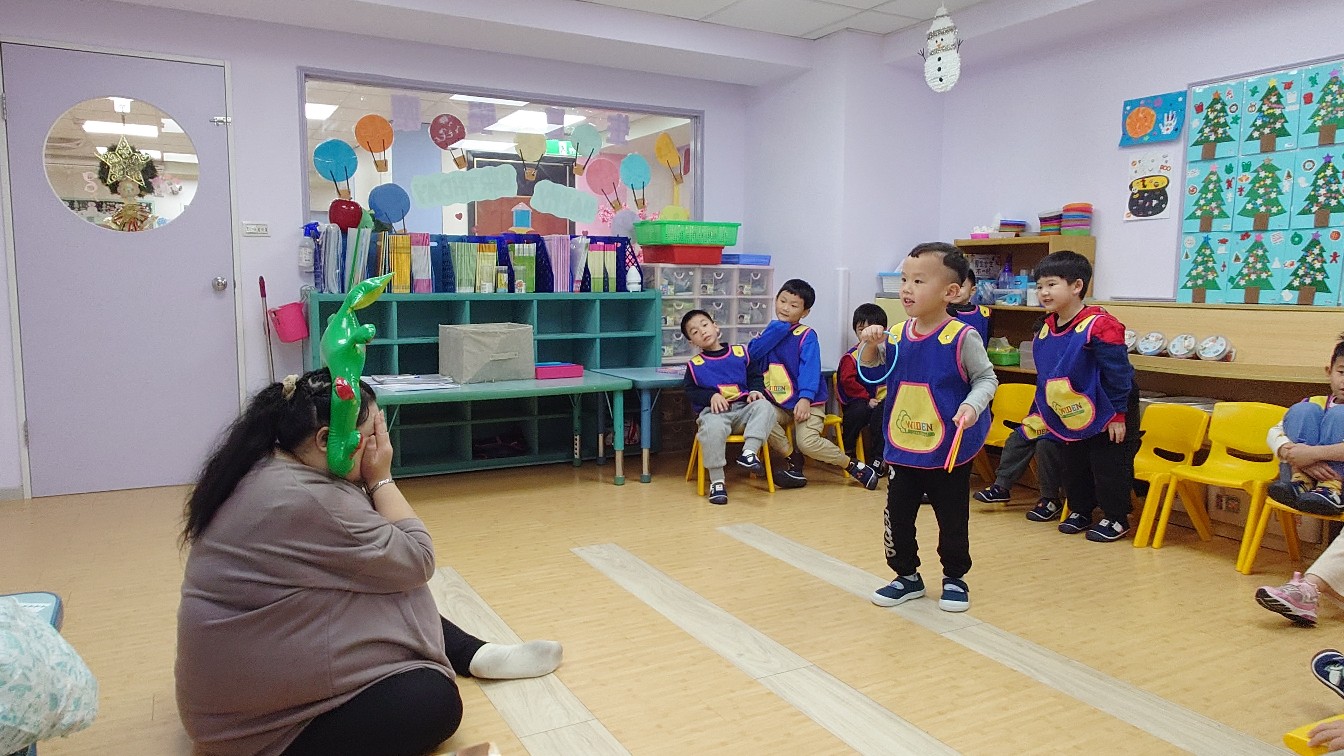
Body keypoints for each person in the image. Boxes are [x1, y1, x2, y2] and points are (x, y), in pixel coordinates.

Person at [175, 369, 563, 756]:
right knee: (432, 701)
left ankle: (473, 653)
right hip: (246, 725)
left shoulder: (267, 462)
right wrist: (382, 479)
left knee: (383, 582)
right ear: (325, 440)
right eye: (372, 434)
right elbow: (418, 558)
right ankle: (471, 656)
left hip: (238, 679)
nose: (381, 446)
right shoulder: (312, 499)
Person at [860, 242, 998, 612]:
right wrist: (869, 346)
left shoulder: (962, 336)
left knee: (952, 519)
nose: (907, 288)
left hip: (947, 449)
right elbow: (872, 370)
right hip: (904, 446)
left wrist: (971, 405)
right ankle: (906, 576)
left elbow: (986, 379)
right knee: (897, 518)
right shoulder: (897, 333)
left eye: (919, 281)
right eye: (904, 279)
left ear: (950, 292)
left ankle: (955, 577)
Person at [1018, 251, 1140, 542]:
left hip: (1109, 405)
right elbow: (1046, 376)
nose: (1043, 292)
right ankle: (1081, 510)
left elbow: (1119, 373)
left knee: (1108, 463)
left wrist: (1117, 414)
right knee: (1073, 462)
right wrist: (1041, 413)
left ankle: (1116, 518)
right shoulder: (1045, 328)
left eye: (1051, 284)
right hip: (1071, 409)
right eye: (1039, 286)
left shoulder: (1101, 325)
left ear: (1076, 286)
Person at [749, 279, 881, 490]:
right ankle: (793, 459)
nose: (785, 308)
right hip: (777, 402)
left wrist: (805, 398)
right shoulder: (770, 332)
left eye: (793, 305)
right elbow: (752, 355)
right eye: (782, 301)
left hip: (808, 402)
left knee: (807, 442)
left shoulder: (807, 335)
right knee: (759, 415)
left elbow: (810, 369)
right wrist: (777, 329)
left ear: (805, 312)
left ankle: (852, 465)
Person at [680, 309, 785, 505]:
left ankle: (749, 453)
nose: (702, 331)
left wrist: (755, 391)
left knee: (765, 406)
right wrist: (710, 396)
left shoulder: (740, 352)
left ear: (715, 326)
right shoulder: (695, 365)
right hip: (716, 414)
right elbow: (691, 391)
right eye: (694, 332)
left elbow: (755, 377)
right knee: (711, 427)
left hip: (743, 410)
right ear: (692, 342)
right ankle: (717, 482)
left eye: (705, 325)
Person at [1265, 338, 1344, 515]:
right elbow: (1274, 432)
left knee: (1340, 414)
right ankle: (1302, 481)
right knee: (1303, 410)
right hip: (1298, 478)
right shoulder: (1315, 402)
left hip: (1339, 485)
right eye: (1342, 372)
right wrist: (1293, 455)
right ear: (1329, 371)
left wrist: (1311, 455)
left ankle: (1331, 489)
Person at [835, 303, 890, 478]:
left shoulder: (887, 354)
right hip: (860, 401)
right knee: (858, 411)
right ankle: (849, 449)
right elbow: (847, 382)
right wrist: (866, 398)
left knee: (883, 414)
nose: (866, 334)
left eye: (872, 329)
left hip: (883, 402)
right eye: (861, 330)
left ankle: (878, 459)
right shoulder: (851, 358)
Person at [972, 432, 1065, 521]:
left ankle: (1051, 499)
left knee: (1045, 444)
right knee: (1018, 437)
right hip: (1044, 425)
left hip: (1066, 430)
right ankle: (1001, 487)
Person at [947, 269, 991, 342]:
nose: (954, 290)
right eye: (950, 286)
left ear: (972, 290)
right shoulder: (942, 313)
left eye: (960, 286)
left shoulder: (984, 313)